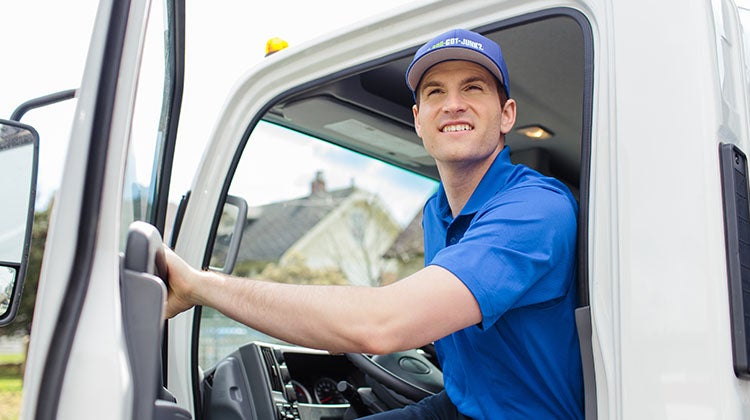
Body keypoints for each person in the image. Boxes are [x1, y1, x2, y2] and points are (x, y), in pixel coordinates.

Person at [164, 28, 583, 419]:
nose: (453, 103)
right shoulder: (437, 211)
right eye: (436, 92)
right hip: (460, 405)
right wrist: (328, 323)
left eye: (472, 88)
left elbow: (382, 324)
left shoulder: (536, 208)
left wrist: (201, 286)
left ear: (506, 114)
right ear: (419, 119)